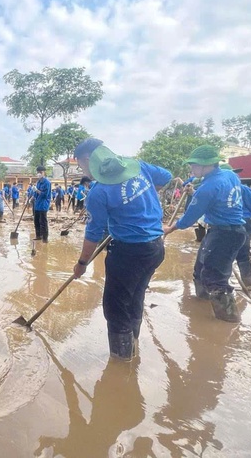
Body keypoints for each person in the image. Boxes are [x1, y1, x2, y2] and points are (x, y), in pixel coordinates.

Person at [72, 139, 171, 361]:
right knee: (135, 299)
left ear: (88, 160)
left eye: (81, 166)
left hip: (128, 253)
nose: (84, 171)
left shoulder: (98, 192)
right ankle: (133, 349)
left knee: (115, 308)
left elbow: (93, 233)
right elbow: (166, 176)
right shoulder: (138, 166)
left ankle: (121, 363)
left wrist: (81, 264)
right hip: (155, 247)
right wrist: (142, 202)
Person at [164, 145, 246, 323]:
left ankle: (229, 320)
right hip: (228, 231)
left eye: (194, 165)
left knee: (215, 279)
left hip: (224, 234)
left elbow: (188, 219)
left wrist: (170, 228)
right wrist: (194, 192)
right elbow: (217, 198)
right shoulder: (229, 175)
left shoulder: (208, 187)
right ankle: (201, 302)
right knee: (200, 269)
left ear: (206, 165)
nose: (191, 169)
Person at [33, 165, 52, 242]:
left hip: (43, 205)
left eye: (40, 172)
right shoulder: (38, 182)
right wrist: (33, 196)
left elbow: (45, 194)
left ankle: (45, 238)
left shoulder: (47, 182)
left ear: (44, 173)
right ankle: (38, 236)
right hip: (37, 204)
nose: (39, 174)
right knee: (36, 220)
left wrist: (37, 191)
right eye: (38, 172)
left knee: (43, 222)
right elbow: (36, 194)